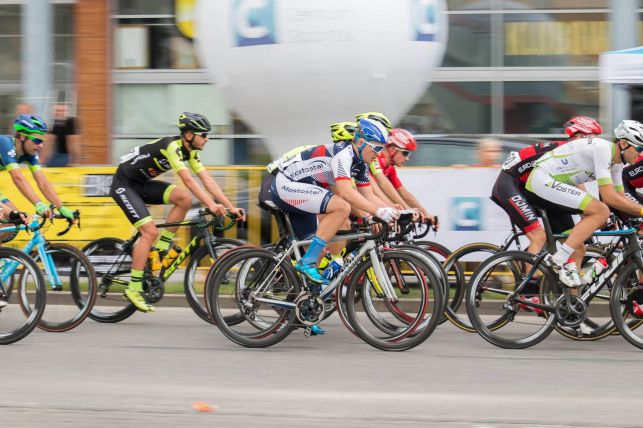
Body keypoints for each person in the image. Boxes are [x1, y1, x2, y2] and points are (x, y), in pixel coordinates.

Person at [109, 112, 246, 312]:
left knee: (183, 199)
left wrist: (230, 206)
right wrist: (210, 204)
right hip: (124, 184)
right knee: (149, 232)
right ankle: (134, 288)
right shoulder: (172, 146)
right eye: (204, 135)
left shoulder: (190, 152)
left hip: (141, 184)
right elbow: (189, 181)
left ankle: (162, 250)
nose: (207, 139)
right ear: (189, 135)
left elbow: (208, 180)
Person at [260, 118, 399, 285]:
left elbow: (368, 196)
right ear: (361, 142)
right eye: (377, 147)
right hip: (285, 185)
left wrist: (395, 212)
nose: (379, 153)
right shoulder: (343, 154)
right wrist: (378, 212)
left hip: (301, 189)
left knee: (317, 251)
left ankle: (309, 300)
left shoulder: (361, 164)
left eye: (382, 148)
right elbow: (346, 192)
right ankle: (306, 263)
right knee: (342, 207)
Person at [525, 118, 643, 288]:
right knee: (601, 211)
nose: (640, 153)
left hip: (553, 185)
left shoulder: (617, 163)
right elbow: (608, 198)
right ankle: (558, 260)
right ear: (623, 144)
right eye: (638, 148)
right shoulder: (603, 149)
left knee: (578, 249)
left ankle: (571, 307)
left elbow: (620, 197)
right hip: (542, 180)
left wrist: (636, 215)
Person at [491, 116, 603, 255]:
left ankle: (545, 271)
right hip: (509, 185)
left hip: (535, 190)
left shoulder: (574, 154)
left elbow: (576, 183)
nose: (597, 144)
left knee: (575, 246)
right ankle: (531, 276)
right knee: (539, 238)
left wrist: (588, 209)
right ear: (579, 138)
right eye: (593, 139)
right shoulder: (563, 151)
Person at [0, 114, 76, 223]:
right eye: (37, 140)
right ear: (23, 137)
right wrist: (38, 203)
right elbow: (17, 177)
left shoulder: (30, 154)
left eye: (42, 141)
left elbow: (43, 182)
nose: (41, 145)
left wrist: (61, 208)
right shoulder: (4, 143)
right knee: (6, 214)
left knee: (15, 220)